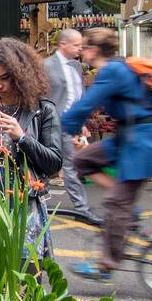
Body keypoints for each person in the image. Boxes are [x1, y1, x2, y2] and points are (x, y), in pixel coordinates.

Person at [62, 27, 152, 283]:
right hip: (129, 139)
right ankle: (130, 208)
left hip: (142, 143)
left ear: (94, 50)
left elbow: (86, 103)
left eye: (85, 47)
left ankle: (106, 264)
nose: (82, 51)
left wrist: (62, 126)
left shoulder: (112, 71)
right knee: (82, 160)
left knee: (116, 204)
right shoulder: (116, 68)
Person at [0, 39, 67, 251]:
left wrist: (22, 137)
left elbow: (54, 164)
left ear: (21, 75)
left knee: (26, 272)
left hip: (24, 204)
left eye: (4, 78)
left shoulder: (42, 110)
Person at [43, 29, 94, 217]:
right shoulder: (46, 65)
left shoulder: (76, 67)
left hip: (69, 124)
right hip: (49, 123)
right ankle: (36, 200)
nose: (80, 48)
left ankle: (82, 208)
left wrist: (82, 123)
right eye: (76, 45)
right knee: (43, 163)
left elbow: (78, 97)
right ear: (63, 44)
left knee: (71, 165)